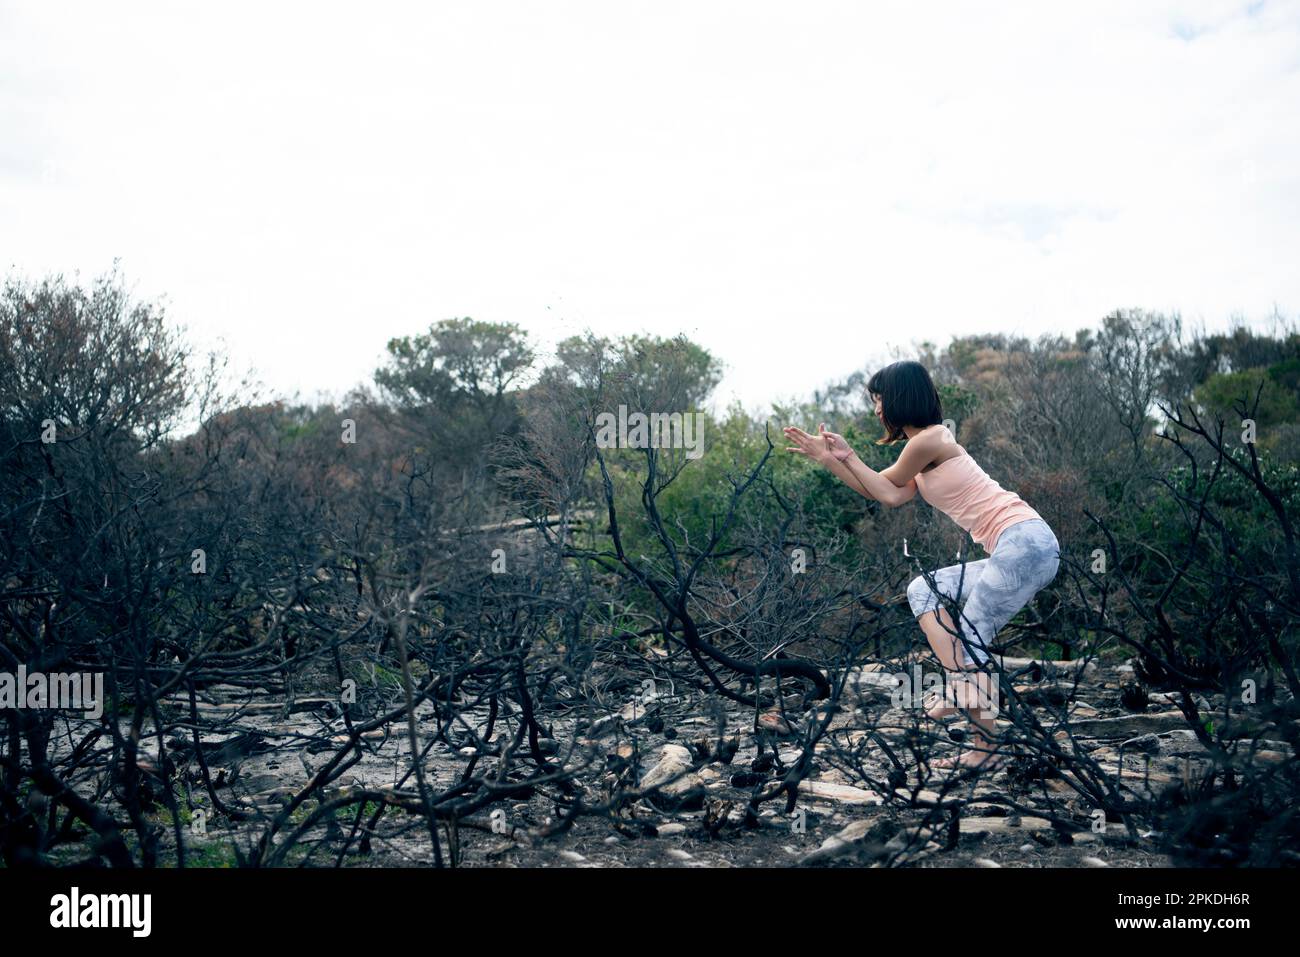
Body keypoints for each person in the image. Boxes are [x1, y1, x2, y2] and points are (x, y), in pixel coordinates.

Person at [783, 360, 1060, 773]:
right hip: (1021, 547)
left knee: (969, 636)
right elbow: (888, 495)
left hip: (1023, 541)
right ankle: (981, 741)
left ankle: (963, 696)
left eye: (879, 399)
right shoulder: (921, 449)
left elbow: (880, 482)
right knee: (922, 591)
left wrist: (845, 456)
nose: (877, 409)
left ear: (898, 398)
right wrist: (832, 459)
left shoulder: (929, 440)